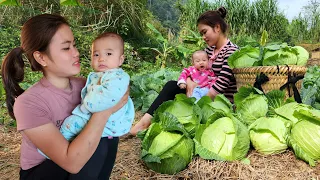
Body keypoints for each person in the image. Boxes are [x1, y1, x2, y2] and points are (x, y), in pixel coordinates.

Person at [1, 14, 129, 180]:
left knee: (107, 137)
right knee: (98, 137)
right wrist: (104, 111)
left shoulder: (85, 85)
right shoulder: (28, 103)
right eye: (66, 48)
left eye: (74, 45)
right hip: (43, 172)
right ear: (41, 57)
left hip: (79, 165)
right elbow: (72, 163)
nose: (76, 53)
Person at [130, 7, 239, 136]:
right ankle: (143, 124)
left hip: (219, 100)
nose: (203, 37)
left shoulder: (231, 51)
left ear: (217, 27)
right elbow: (192, 70)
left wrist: (194, 105)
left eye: (205, 32)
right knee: (171, 85)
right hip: (200, 91)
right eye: (201, 34)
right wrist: (189, 82)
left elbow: (220, 86)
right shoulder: (209, 51)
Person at [38, 32, 135, 158]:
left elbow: (107, 97)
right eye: (96, 54)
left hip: (105, 118)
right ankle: (58, 149)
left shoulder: (116, 76)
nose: (101, 58)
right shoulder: (102, 74)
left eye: (109, 54)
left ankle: (51, 150)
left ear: (121, 59)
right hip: (101, 117)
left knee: (71, 124)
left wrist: (86, 106)